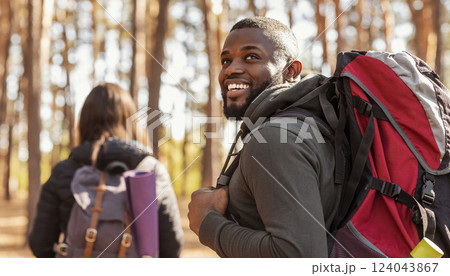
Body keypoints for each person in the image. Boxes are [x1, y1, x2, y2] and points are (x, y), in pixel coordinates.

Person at [187, 17, 340, 257]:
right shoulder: (304, 127)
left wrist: (207, 223)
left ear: (291, 71)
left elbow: (299, 256)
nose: (231, 69)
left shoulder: (274, 139)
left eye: (251, 57)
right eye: (226, 60)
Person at [29, 83, 183, 257]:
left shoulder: (65, 171)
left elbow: (40, 244)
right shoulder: (151, 170)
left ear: (84, 121)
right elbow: (172, 247)